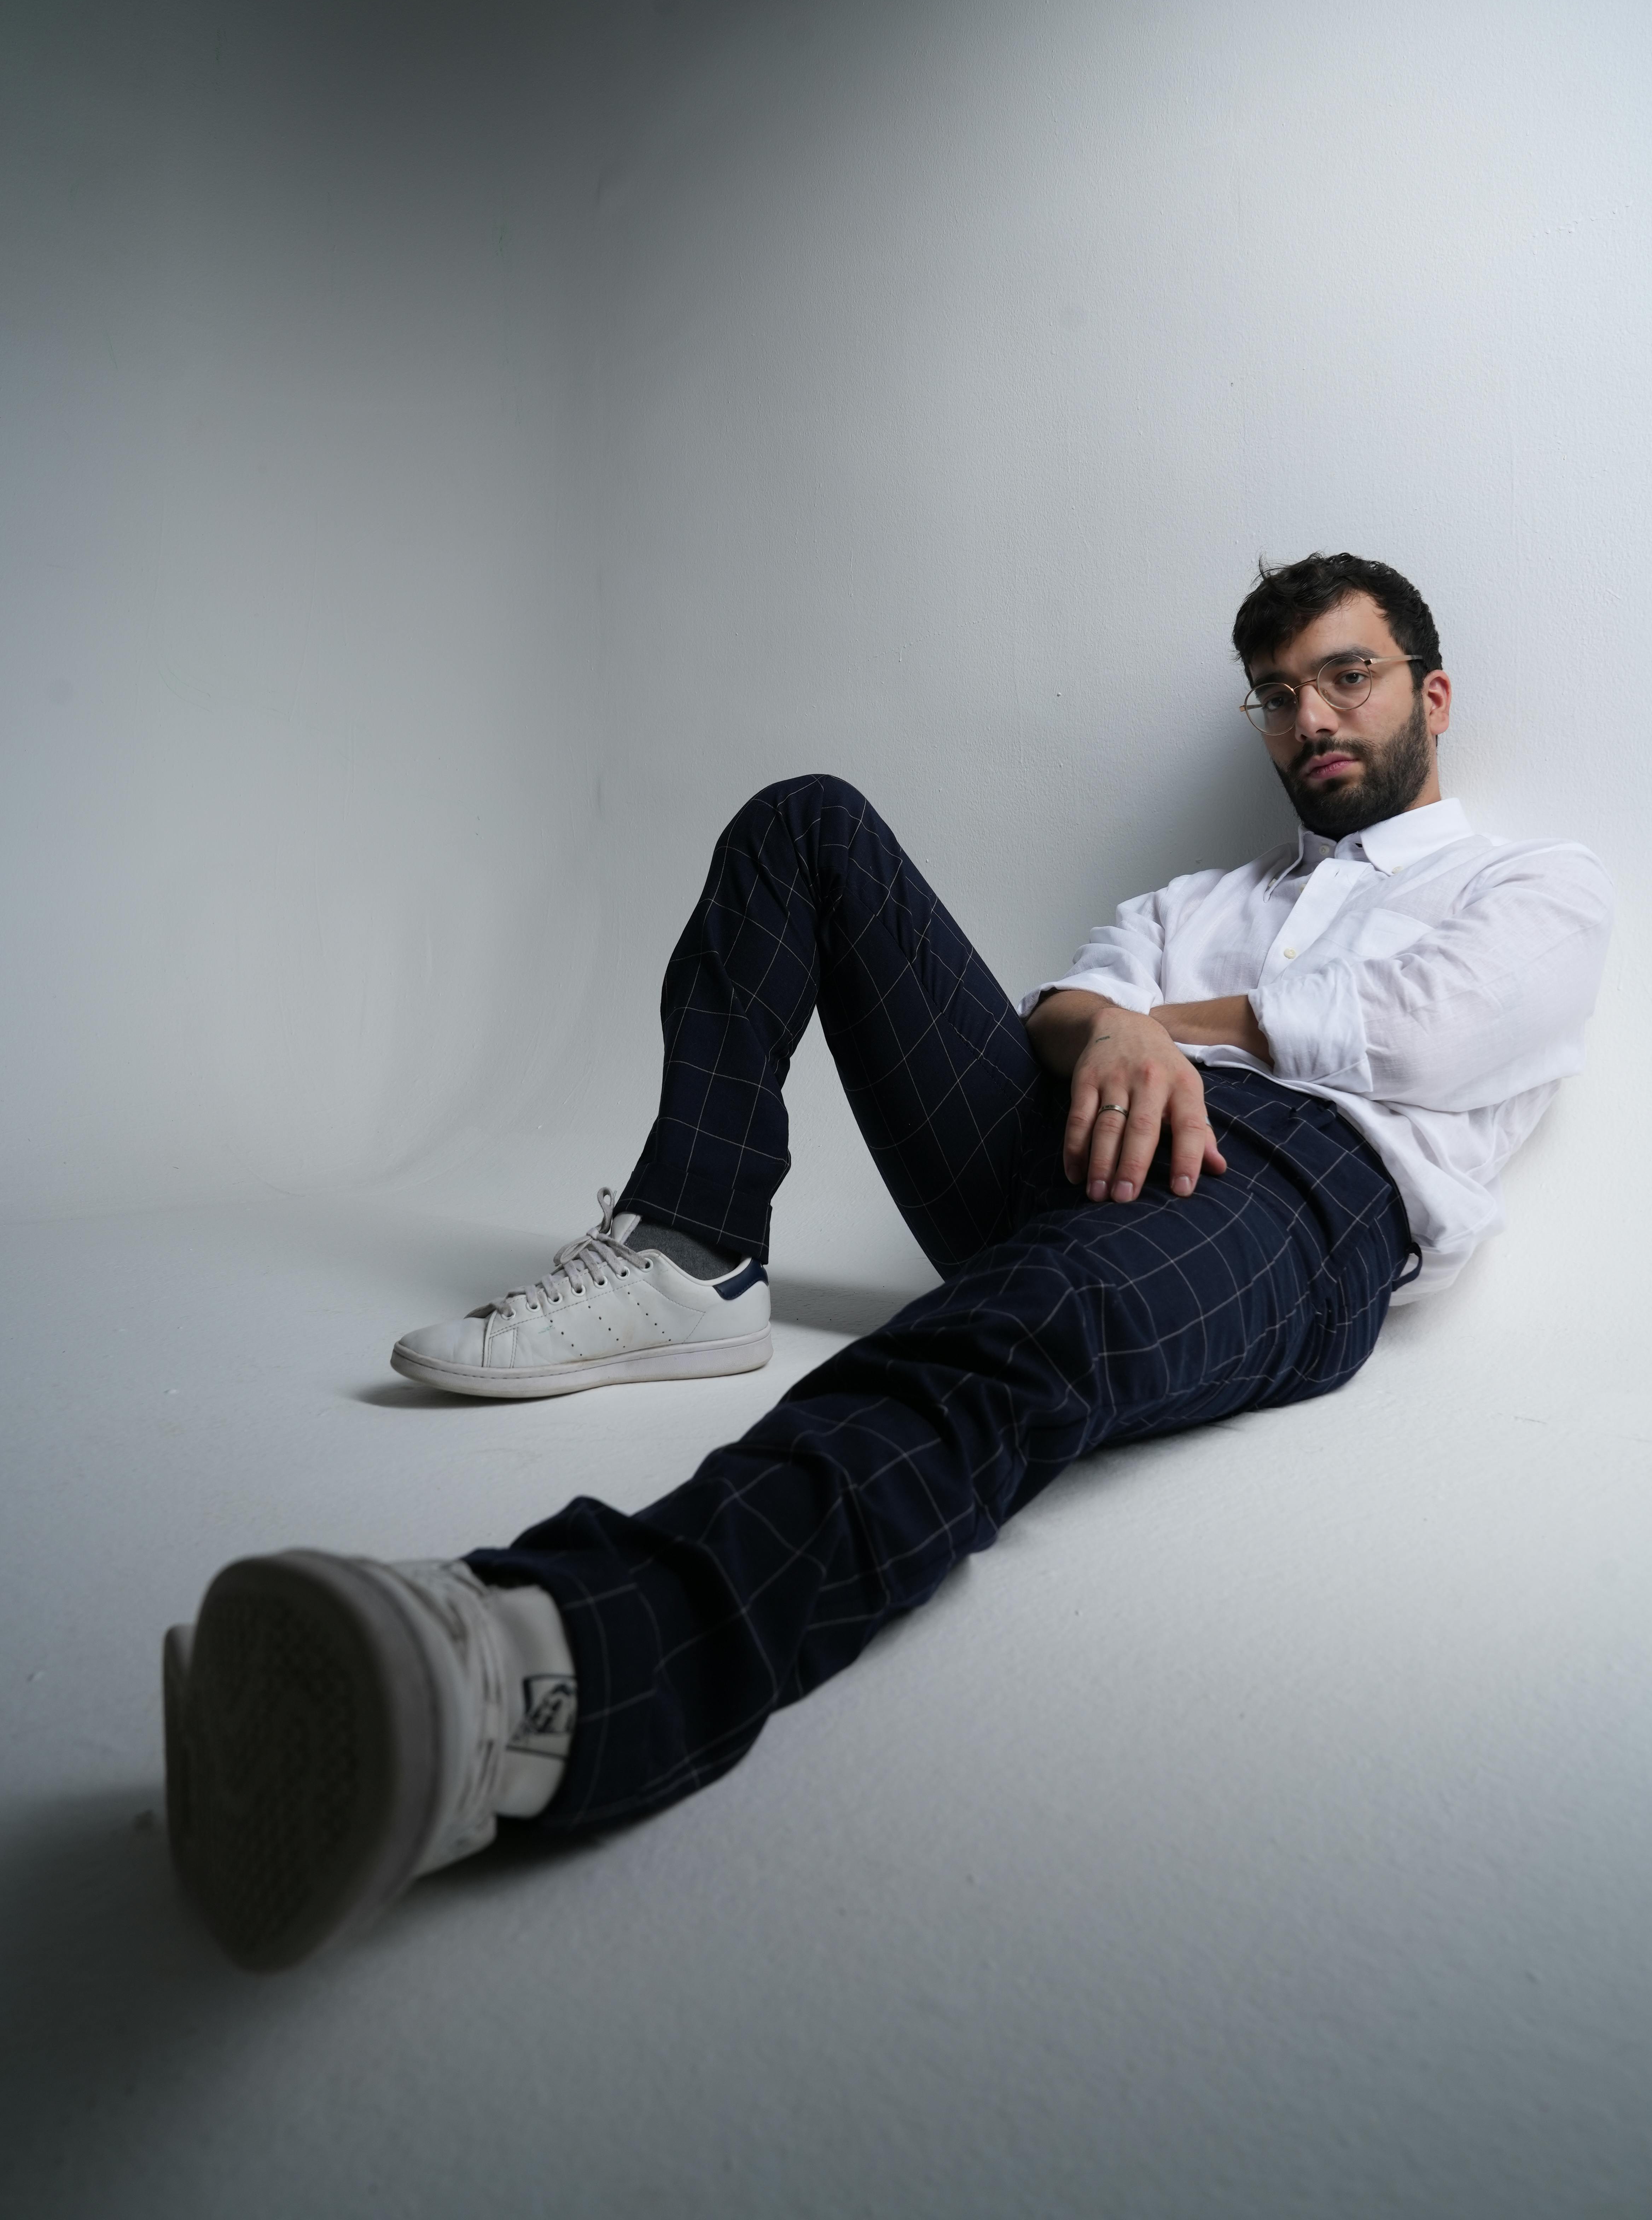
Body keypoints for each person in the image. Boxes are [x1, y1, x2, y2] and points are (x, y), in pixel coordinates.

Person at [162, 553, 1612, 1971]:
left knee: (1022, 1323)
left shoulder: (1535, 881)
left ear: (1428, 693)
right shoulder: (1205, 896)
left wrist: (1145, 1023)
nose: (1310, 719)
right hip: (1066, 1149)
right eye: (1277, 694)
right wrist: (1099, 1028)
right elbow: (1072, 994)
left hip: (1298, 1191)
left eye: (1343, 679)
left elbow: (1431, 1033)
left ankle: (537, 1680)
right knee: (810, 824)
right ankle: (696, 1252)